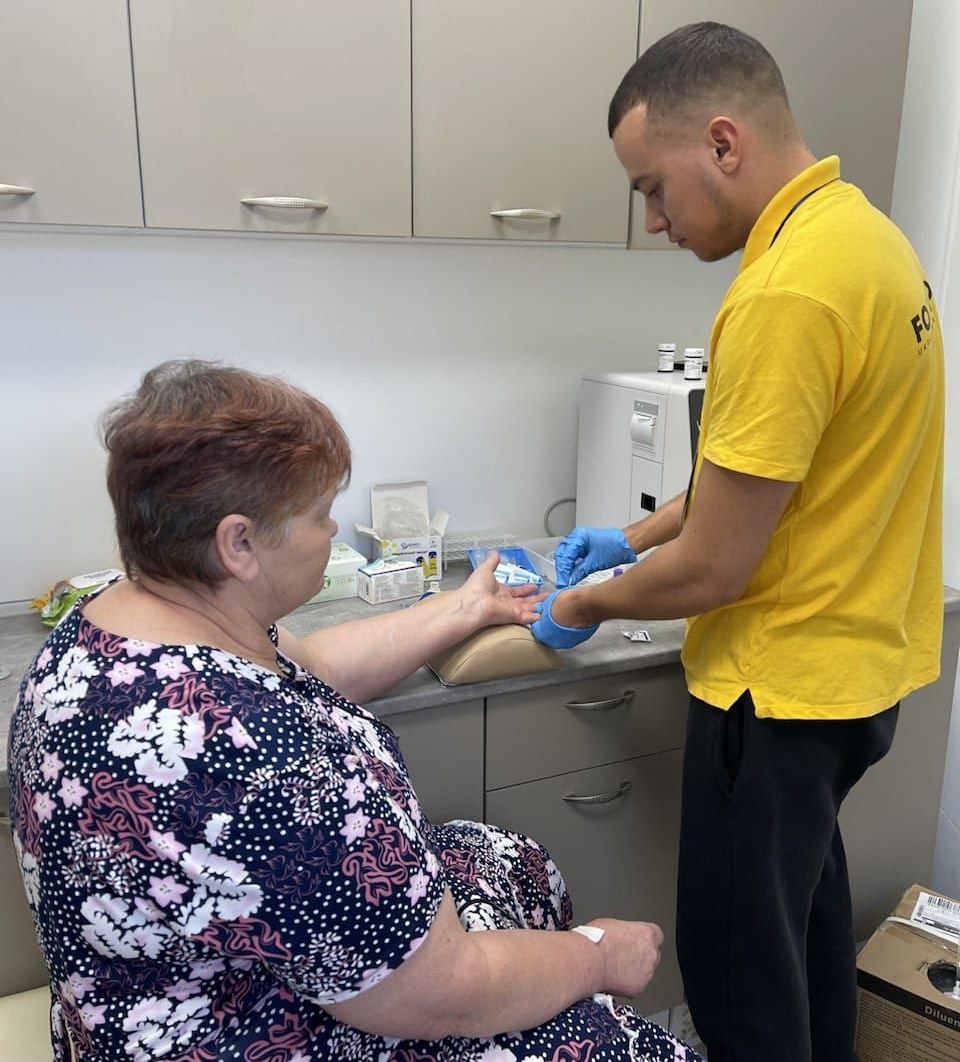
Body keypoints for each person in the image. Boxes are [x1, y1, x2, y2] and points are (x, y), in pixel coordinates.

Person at [8, 360, 702, 1062]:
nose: (333, 532)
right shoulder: (255, 755)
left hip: (151, 999)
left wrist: (460, 608)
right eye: (319, 516)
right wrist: (595, 956)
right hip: (251, 1034)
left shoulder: (115, 628)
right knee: (618, 1041)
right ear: (238, 543)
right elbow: (441, 991)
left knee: (506, 859)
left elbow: (315, 668)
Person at [531, 21, 945, 1062]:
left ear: (722, 141)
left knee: (737, 975)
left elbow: (720, 563)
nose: (657, 218)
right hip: (854, 680)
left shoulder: (784, 293)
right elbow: (751, 474)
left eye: (653, 187)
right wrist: (625, 540)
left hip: (775, 688)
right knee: (801, 930)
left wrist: (578, 604)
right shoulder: (866, 243)